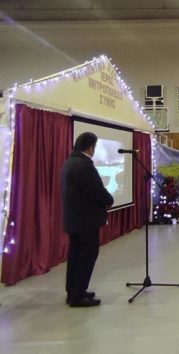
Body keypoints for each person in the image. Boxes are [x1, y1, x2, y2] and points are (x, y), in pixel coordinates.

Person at [61, 132, 114, 308]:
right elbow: (96, 190)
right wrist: (109, 200)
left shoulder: (70, 162)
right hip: (86, 221)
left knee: (75, 256)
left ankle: (74, 291)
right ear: (91, 147)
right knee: (87, 256)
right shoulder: (83, 165)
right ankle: (78, 296)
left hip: (75, 219)